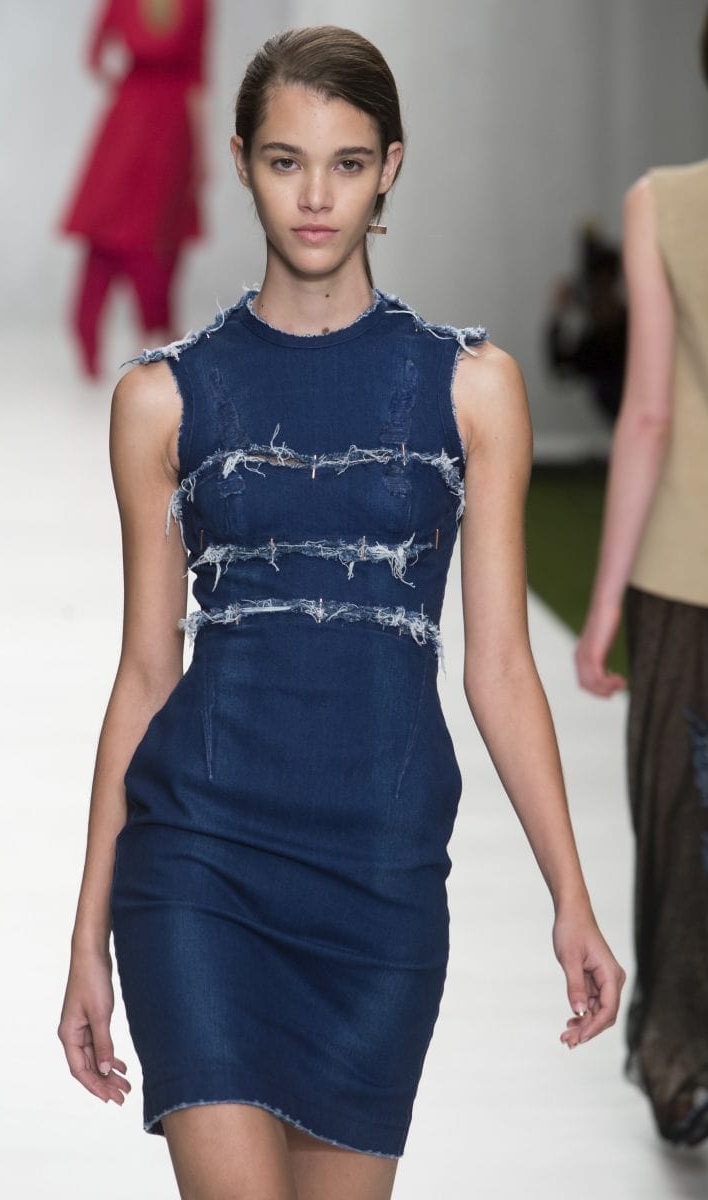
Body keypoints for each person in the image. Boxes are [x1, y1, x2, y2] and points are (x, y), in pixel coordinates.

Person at [58, 25, 625, 1199]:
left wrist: (570, 898)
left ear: (389, 168)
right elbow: (146, 677)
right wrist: (87, 937)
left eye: (347, 163)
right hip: (197, 863)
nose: (315, 197)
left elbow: (499, 669)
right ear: (239, 161)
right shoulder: (163, 401)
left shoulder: (471, 390)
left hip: (379, 874)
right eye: (284, 161)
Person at [575, 8, 708, 1150]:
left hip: (682, 565)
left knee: (677, 813)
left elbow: (649, 412)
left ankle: (680, 1064)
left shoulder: (661, 203)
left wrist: (604, 602)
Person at [60, 0, 208, 378]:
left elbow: (96, 57)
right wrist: (202, 149)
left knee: (121, 222)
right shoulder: (195, 4)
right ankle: (154, 331)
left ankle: (106, 334)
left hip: (134, 112)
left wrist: (129, 85)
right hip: (169, 115)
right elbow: (197, 74)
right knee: (152, 226)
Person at [545, 224, 628, 427]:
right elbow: (561, 369)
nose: (600, 300)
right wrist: (558, 316)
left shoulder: (632, 330)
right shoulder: (593, 345)